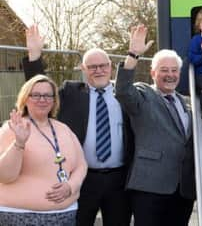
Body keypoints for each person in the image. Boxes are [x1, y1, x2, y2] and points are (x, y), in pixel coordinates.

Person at [22, 25, 133, 226]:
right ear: (83, 69)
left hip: (119, 181)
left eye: (103, 65)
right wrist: (34, 55)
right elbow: (40, 88)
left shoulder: (126, 96)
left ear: (111, 66)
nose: (98, 70)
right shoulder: (70, 93)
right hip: (81, 180)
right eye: (92, 67)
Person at [115, 25, 195, 226]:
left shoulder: (185, 103)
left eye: (174, 70)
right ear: (152, 73)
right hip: (150, 187)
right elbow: (123, 91)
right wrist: (133, 55)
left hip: (182, 190)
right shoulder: (143, 94)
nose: (170, 75)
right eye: (164, 70)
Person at [0, 74, 87, 226]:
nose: (42, 99)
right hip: (19, 217)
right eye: (36, 95)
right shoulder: (12, 128)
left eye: (48, 95)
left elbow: (81, 165)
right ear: (25, 99)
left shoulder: (64, 129)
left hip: (64, 216)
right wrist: (19, 143)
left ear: (54, 100)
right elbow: (5, 176)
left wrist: (71, 186)